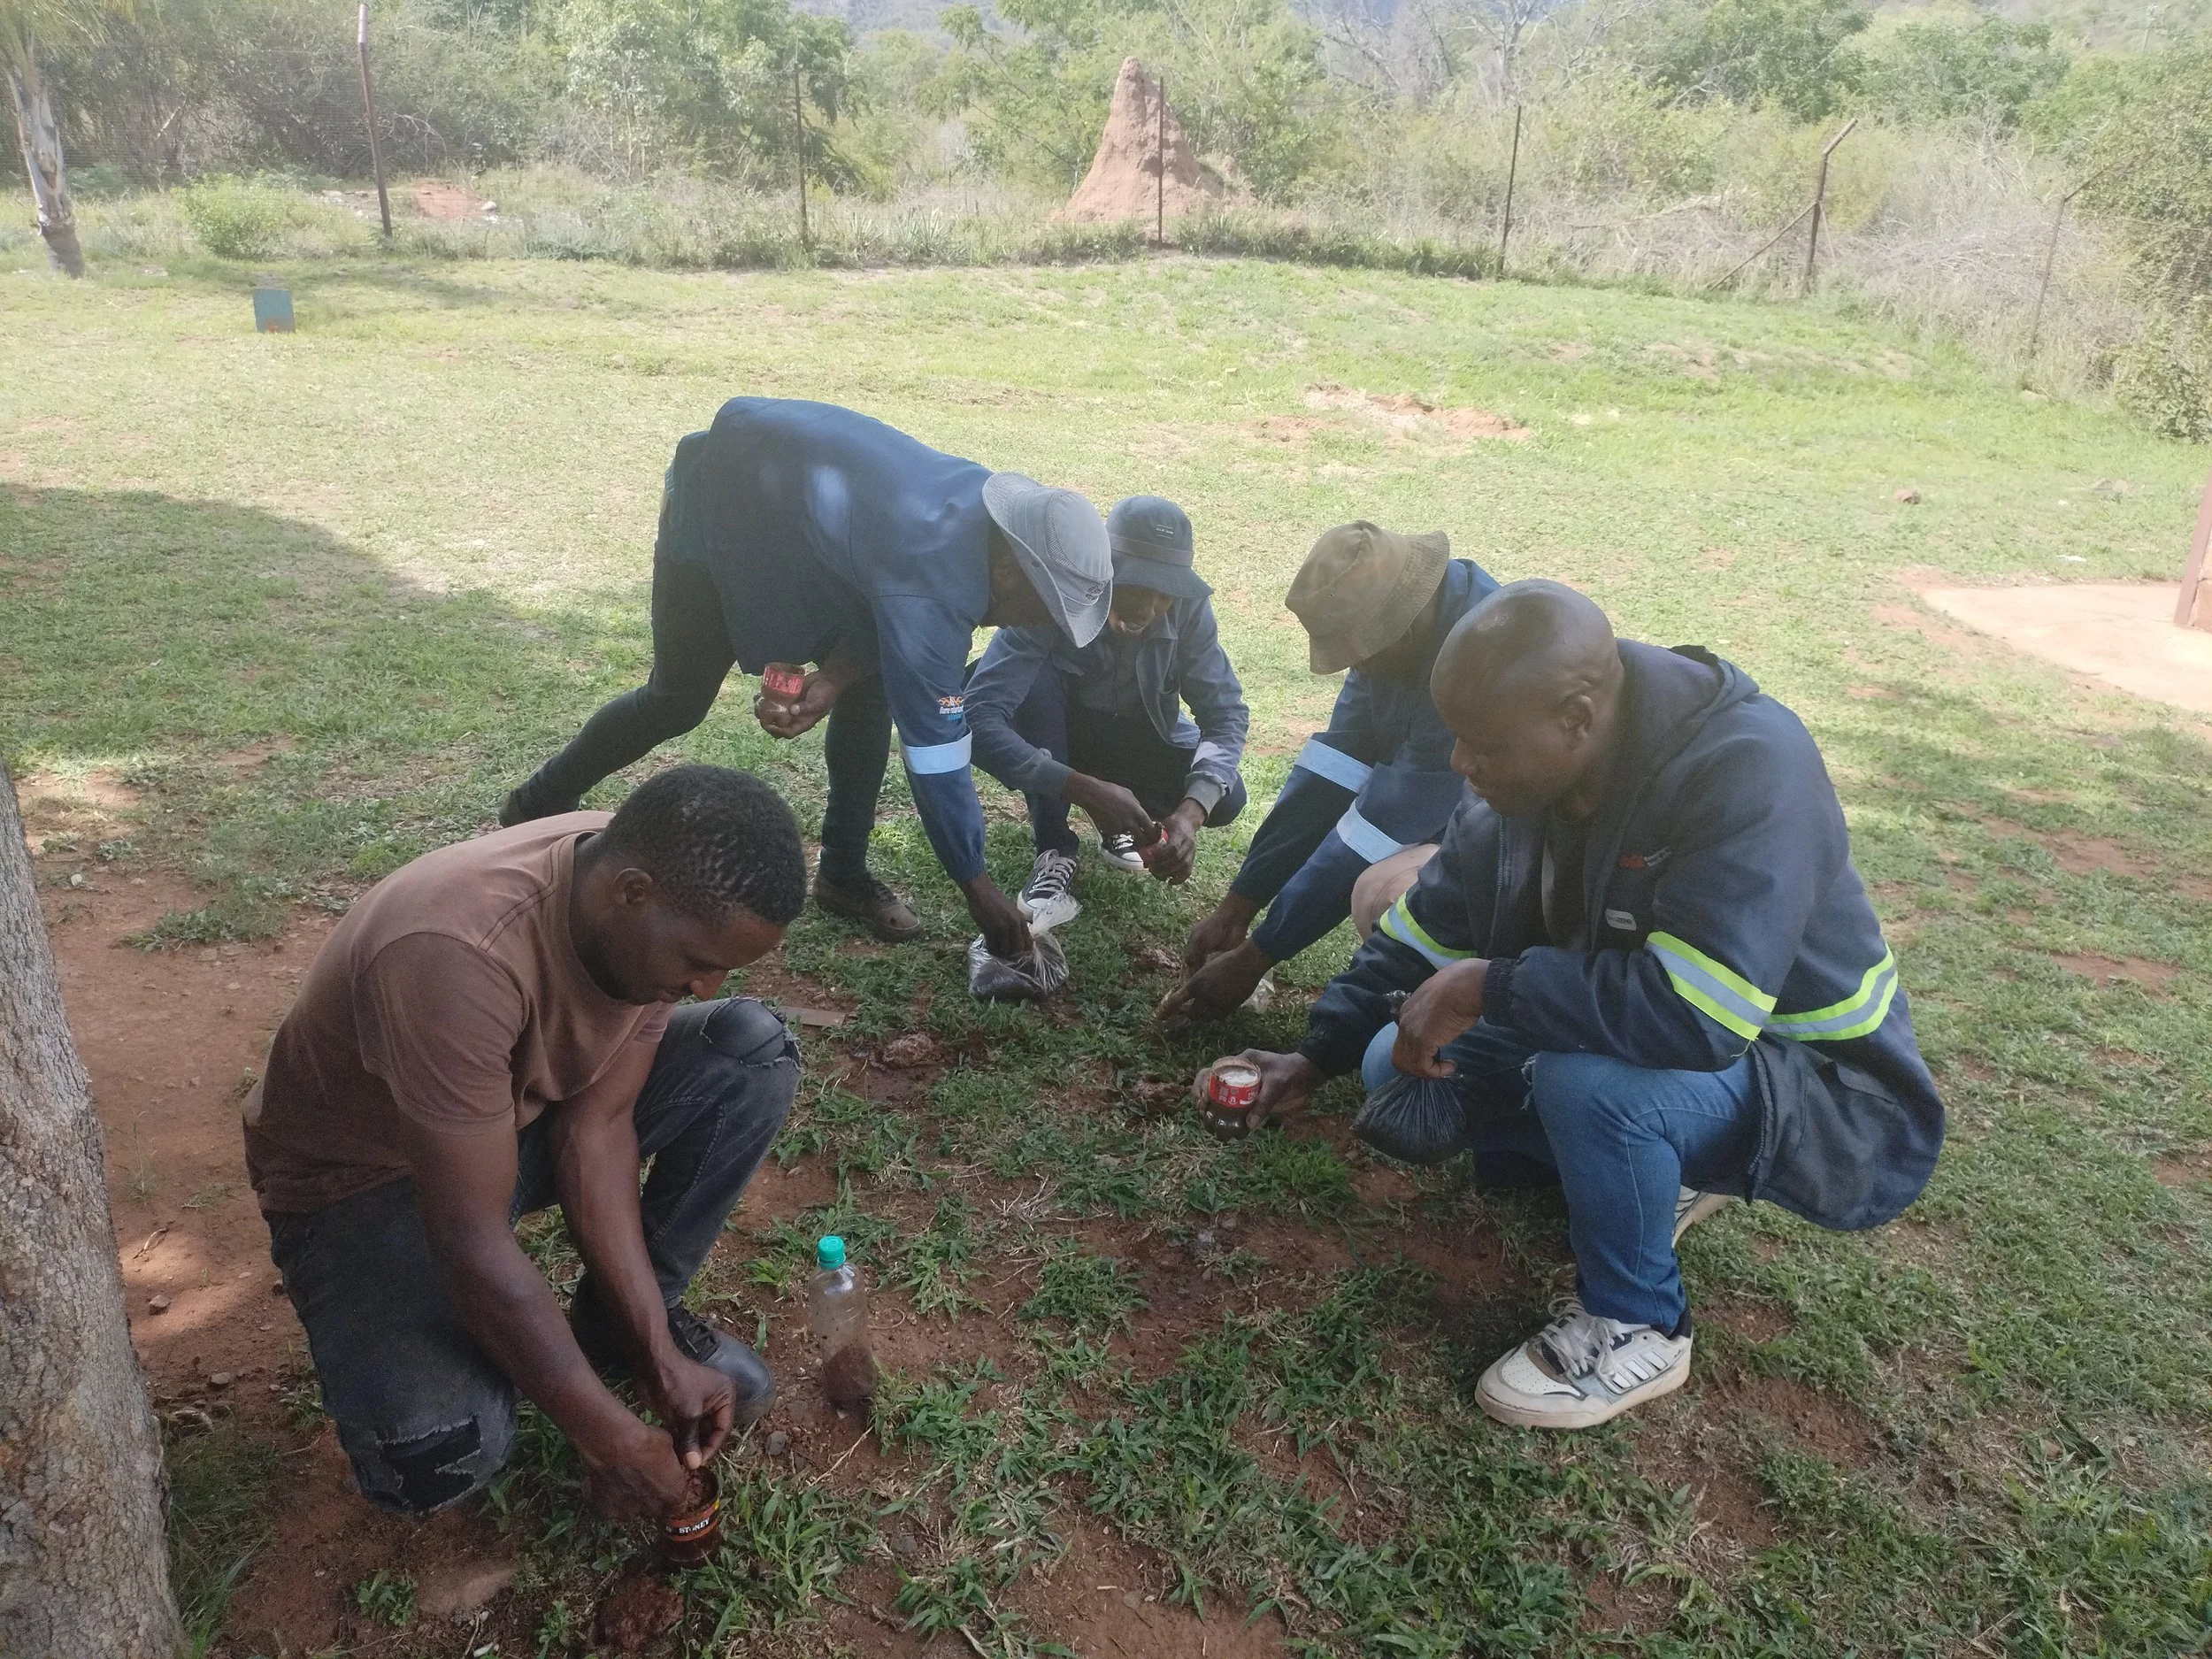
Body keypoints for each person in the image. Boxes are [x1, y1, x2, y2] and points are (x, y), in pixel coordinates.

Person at [1198, 583, 1944, 1430]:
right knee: (1390, 1060)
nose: (1458, 766)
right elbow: (1427, 928)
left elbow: (1700, 1016)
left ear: (1577, 718)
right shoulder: (1530, 777)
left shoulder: (1746, 765)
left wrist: (1490, 984)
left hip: (1818, 1085)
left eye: (1481, 746)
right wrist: (1314, 1054)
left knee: (1587, 1085)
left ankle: (1641, 1322)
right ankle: (1647, 1169)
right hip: (1670, 1049)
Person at [243, 764, 810, 1517]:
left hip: (502, 1122)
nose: (708, 987)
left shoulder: (640, 895)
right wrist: (609, 1437)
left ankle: (611, 1328)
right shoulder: (453, 954)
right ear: (632, 892)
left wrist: (653, 1348)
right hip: (365, 1178)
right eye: (700, 964)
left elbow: (597, 1125)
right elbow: (470, 1235)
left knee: (750, 1050)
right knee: (443, 1451)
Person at [498, 397, 1114, 963]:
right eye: (1047, 607)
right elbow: (936, 752)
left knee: (868, 694)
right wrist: (978, 888)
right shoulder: (933, 584)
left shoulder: (977, 523)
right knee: (676, 698)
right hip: (713, 500)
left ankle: (842, 874)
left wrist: (833, 677)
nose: (1043, 624)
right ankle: (538, 801)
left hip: (800, 537)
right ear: (1010, 567)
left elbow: (889, 595)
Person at [1158, 522, 1497, 1025]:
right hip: (1447, 815)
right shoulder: (1395, 647)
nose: (1351, 667)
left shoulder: (1474, 663)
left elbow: (1378, 828)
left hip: (1518, 859)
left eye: (1355, 653)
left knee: (1387, 893)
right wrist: (1238, 906)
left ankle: (1458, 1013)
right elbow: (1327, 778)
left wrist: (1257, 957)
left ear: (1399, 630)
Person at [964, 495, 1250, 931]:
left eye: (1163, 596)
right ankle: (1055, 847)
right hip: (1055, 734)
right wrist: (1084, 790)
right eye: (1135, 588)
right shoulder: (1053, 593)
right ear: (1103, 570)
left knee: (1227, 797)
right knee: (1034, 685)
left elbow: (1226, 714)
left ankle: (1126, 825)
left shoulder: (1190, 610)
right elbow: (980, 715)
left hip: (1137, 737)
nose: (1148, 611)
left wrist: (1190, 814)